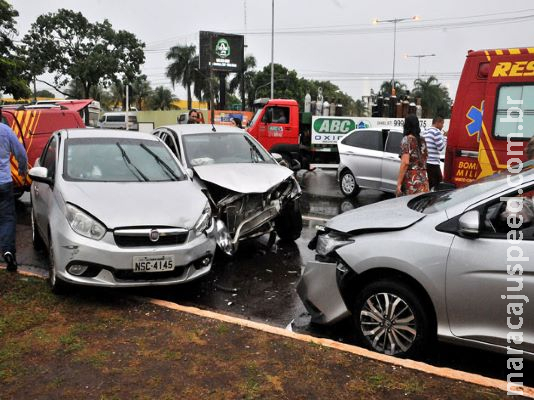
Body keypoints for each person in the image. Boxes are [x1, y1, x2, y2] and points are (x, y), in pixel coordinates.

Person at [0, 108, 28, 272]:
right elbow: (21, 154)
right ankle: (8, 251)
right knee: (7, 219)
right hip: (4, 182)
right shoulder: (6, 131)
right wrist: (23, 172)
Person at [396, 114, 429, 196]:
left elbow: (405, 163)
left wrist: (399, 183)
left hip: (412, 181)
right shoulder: (422, 140)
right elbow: (425, 157)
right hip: (423, 179)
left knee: (409, 206)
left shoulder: (406, 140)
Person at [422, 116, 446, 190]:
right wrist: (445, 138)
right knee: (437, 187)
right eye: (442, 124)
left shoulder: (425, 131)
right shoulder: (436, 132)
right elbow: (441, 147)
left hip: (426, 163)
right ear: (438, 122)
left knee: (430, 186)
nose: (443, 126)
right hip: (434, 163)